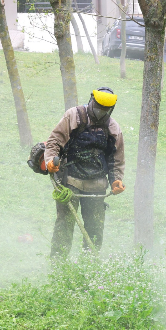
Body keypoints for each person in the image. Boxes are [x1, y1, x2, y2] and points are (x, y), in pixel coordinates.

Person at [45, 87, 126, 259]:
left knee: (95, 231)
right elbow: (54, 141)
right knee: (64, 228)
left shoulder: (113, 128)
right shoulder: (73, 116)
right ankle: (58, 267)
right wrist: (51, 160)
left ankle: (89, 268)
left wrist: (116, 180)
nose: (100, 113)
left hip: (97, 187)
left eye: (105, 111)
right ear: (91, 101)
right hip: (69, 183)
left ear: (111, 109)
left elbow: (116, 159)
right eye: (97, 108)